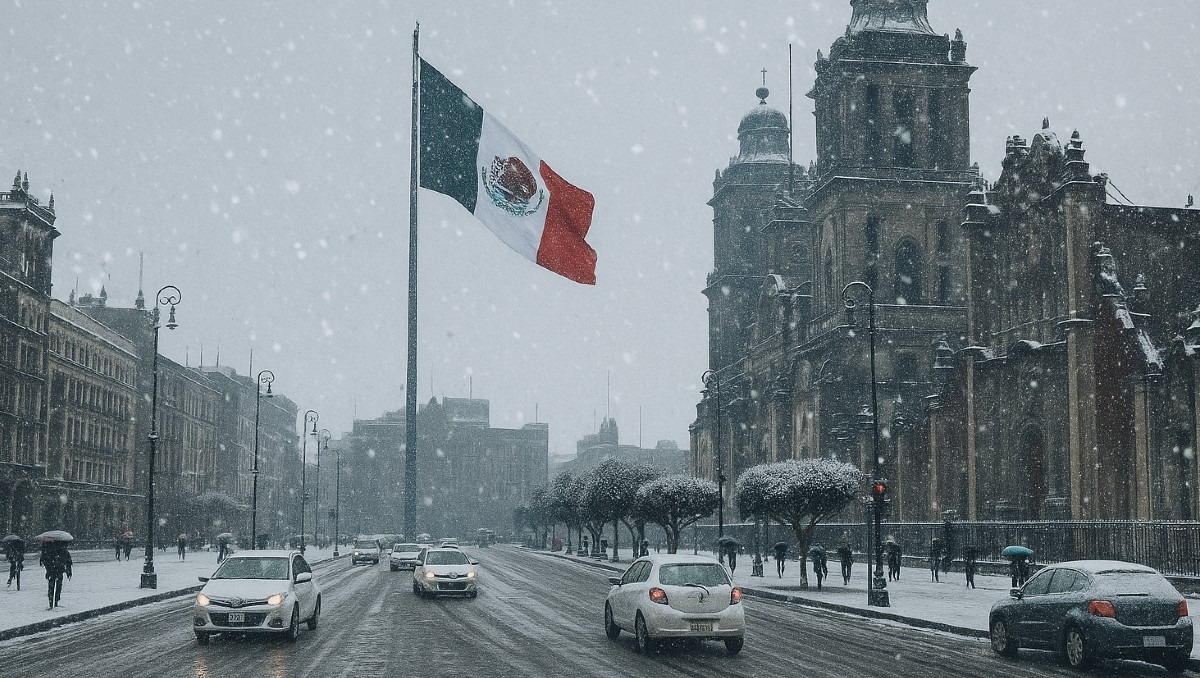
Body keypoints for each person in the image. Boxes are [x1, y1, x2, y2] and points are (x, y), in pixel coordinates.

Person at [40, 542, 72, 609]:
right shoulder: (63, 549)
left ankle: (51, 601)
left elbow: (44, 559)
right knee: (58, 585)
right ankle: (56, 601)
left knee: (51, 586)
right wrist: (69, 572)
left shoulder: (48, 549)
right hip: (59, 570)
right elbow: (68, 561)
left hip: (51, 570)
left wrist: (46, 564)